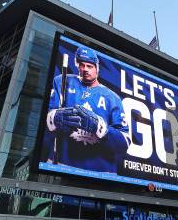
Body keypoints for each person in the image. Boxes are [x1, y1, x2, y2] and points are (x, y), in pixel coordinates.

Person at [45, 45, 130, 173]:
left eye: (89, 66)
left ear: (97, 68)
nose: (85, 69)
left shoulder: (112, 98)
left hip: (99, 175)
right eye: (82, 65)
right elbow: (44, 117)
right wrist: (54, 117)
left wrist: (100, 128)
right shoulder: (62, 82)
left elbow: (124, 143)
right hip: (60, 166)